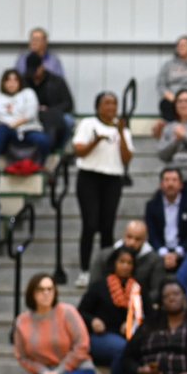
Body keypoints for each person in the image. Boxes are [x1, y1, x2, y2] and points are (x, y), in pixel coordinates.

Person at [72, 92, 133, 287]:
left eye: (114, 103)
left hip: (113, 179)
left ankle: (107, 272)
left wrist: (122, 132)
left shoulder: (122, 128)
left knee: (107, 227)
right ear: (98, 106)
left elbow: (126, 158)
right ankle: (84, 270)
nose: (111, 107)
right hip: (89, 177)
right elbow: (78, 150)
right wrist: (96, 140)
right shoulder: (88, 124)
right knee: (89, 224)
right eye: (106, 103)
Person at [77, 248, 142, 374]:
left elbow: (148, 316)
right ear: (114, 263)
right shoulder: (99, 286)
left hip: (132, 336)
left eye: (129, 263)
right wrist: (93, 320)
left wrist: (133, 323)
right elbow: (80, 312)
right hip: (100, 336)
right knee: (123, 349)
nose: (125, 266)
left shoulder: (138, 289)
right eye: (122, 262)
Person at [88, 220, 165, 303]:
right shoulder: (104, 256)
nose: (132, 242)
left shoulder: (155, 261)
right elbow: (93, 286)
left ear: (145, 239)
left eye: (137, 239)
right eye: (129, 237)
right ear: (124, 235)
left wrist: (136, 302)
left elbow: (157, 291)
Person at [144, 167, 187, 269]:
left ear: (181, 184)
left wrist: (179, 252)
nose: (170, 184)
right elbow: (151, 233)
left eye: (174, 180)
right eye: (166, 180)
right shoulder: (152, 206)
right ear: (161, 185)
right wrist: (163, 253)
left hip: (185, 250)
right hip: (160, 251)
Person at [0, 69, 49, 163]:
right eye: (8, 80)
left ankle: (41, 167)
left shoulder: (28, 93)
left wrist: (13, 124)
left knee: (43, 140)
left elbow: (30, 114)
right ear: (3, 82)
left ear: (20, 82)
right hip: (6, 132)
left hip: (28, 129)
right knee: (0, 130)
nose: (11, 83)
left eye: (15, 80)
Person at [25, 53, 75, 150]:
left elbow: (68, 103)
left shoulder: (57, 81)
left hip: (53, 114)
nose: (33, 74)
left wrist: (50, 110)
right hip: (31, 114)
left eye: (35, 70)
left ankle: (58, 150)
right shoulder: (25, 81)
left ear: (42, 67)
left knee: (68, 121)